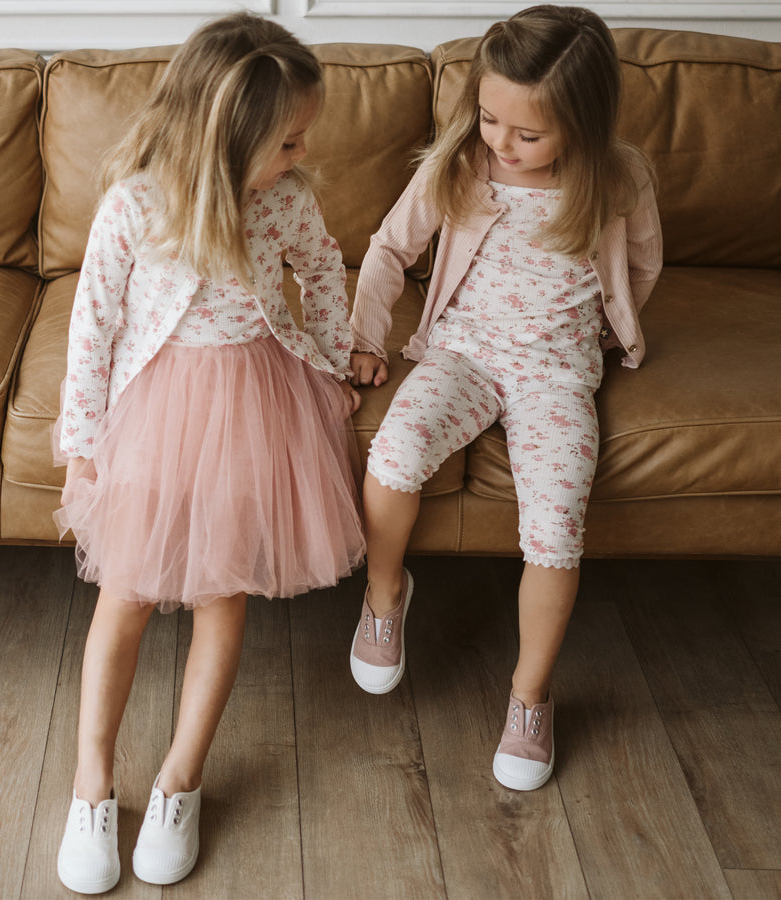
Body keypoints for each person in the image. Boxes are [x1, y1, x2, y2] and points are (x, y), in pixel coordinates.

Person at [53, 12, 365, 893]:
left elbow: (324, 270)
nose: (301, 155)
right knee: (127, 595)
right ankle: (92, 783)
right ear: (225, 139)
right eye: (288, 141)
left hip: (256, 401)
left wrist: (338, 359)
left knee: (223, 598)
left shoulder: (286, 201)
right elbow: (95, 324)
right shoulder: (136, 204)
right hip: (155, 408)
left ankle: (180, 779)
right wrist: (82, 441)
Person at [347, 4, 661, 791]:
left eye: (529, 134)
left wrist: (610, 326)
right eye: (491, 118)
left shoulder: (618, 178)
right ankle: (386, 593)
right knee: (394, 454)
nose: (502, 143)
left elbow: (645, 267)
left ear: (582, 125)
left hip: (558, 375)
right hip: (461, 356)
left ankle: (529, 696)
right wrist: (361, 337)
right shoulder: (460, 164)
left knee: (555, 529)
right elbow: (390, 249)